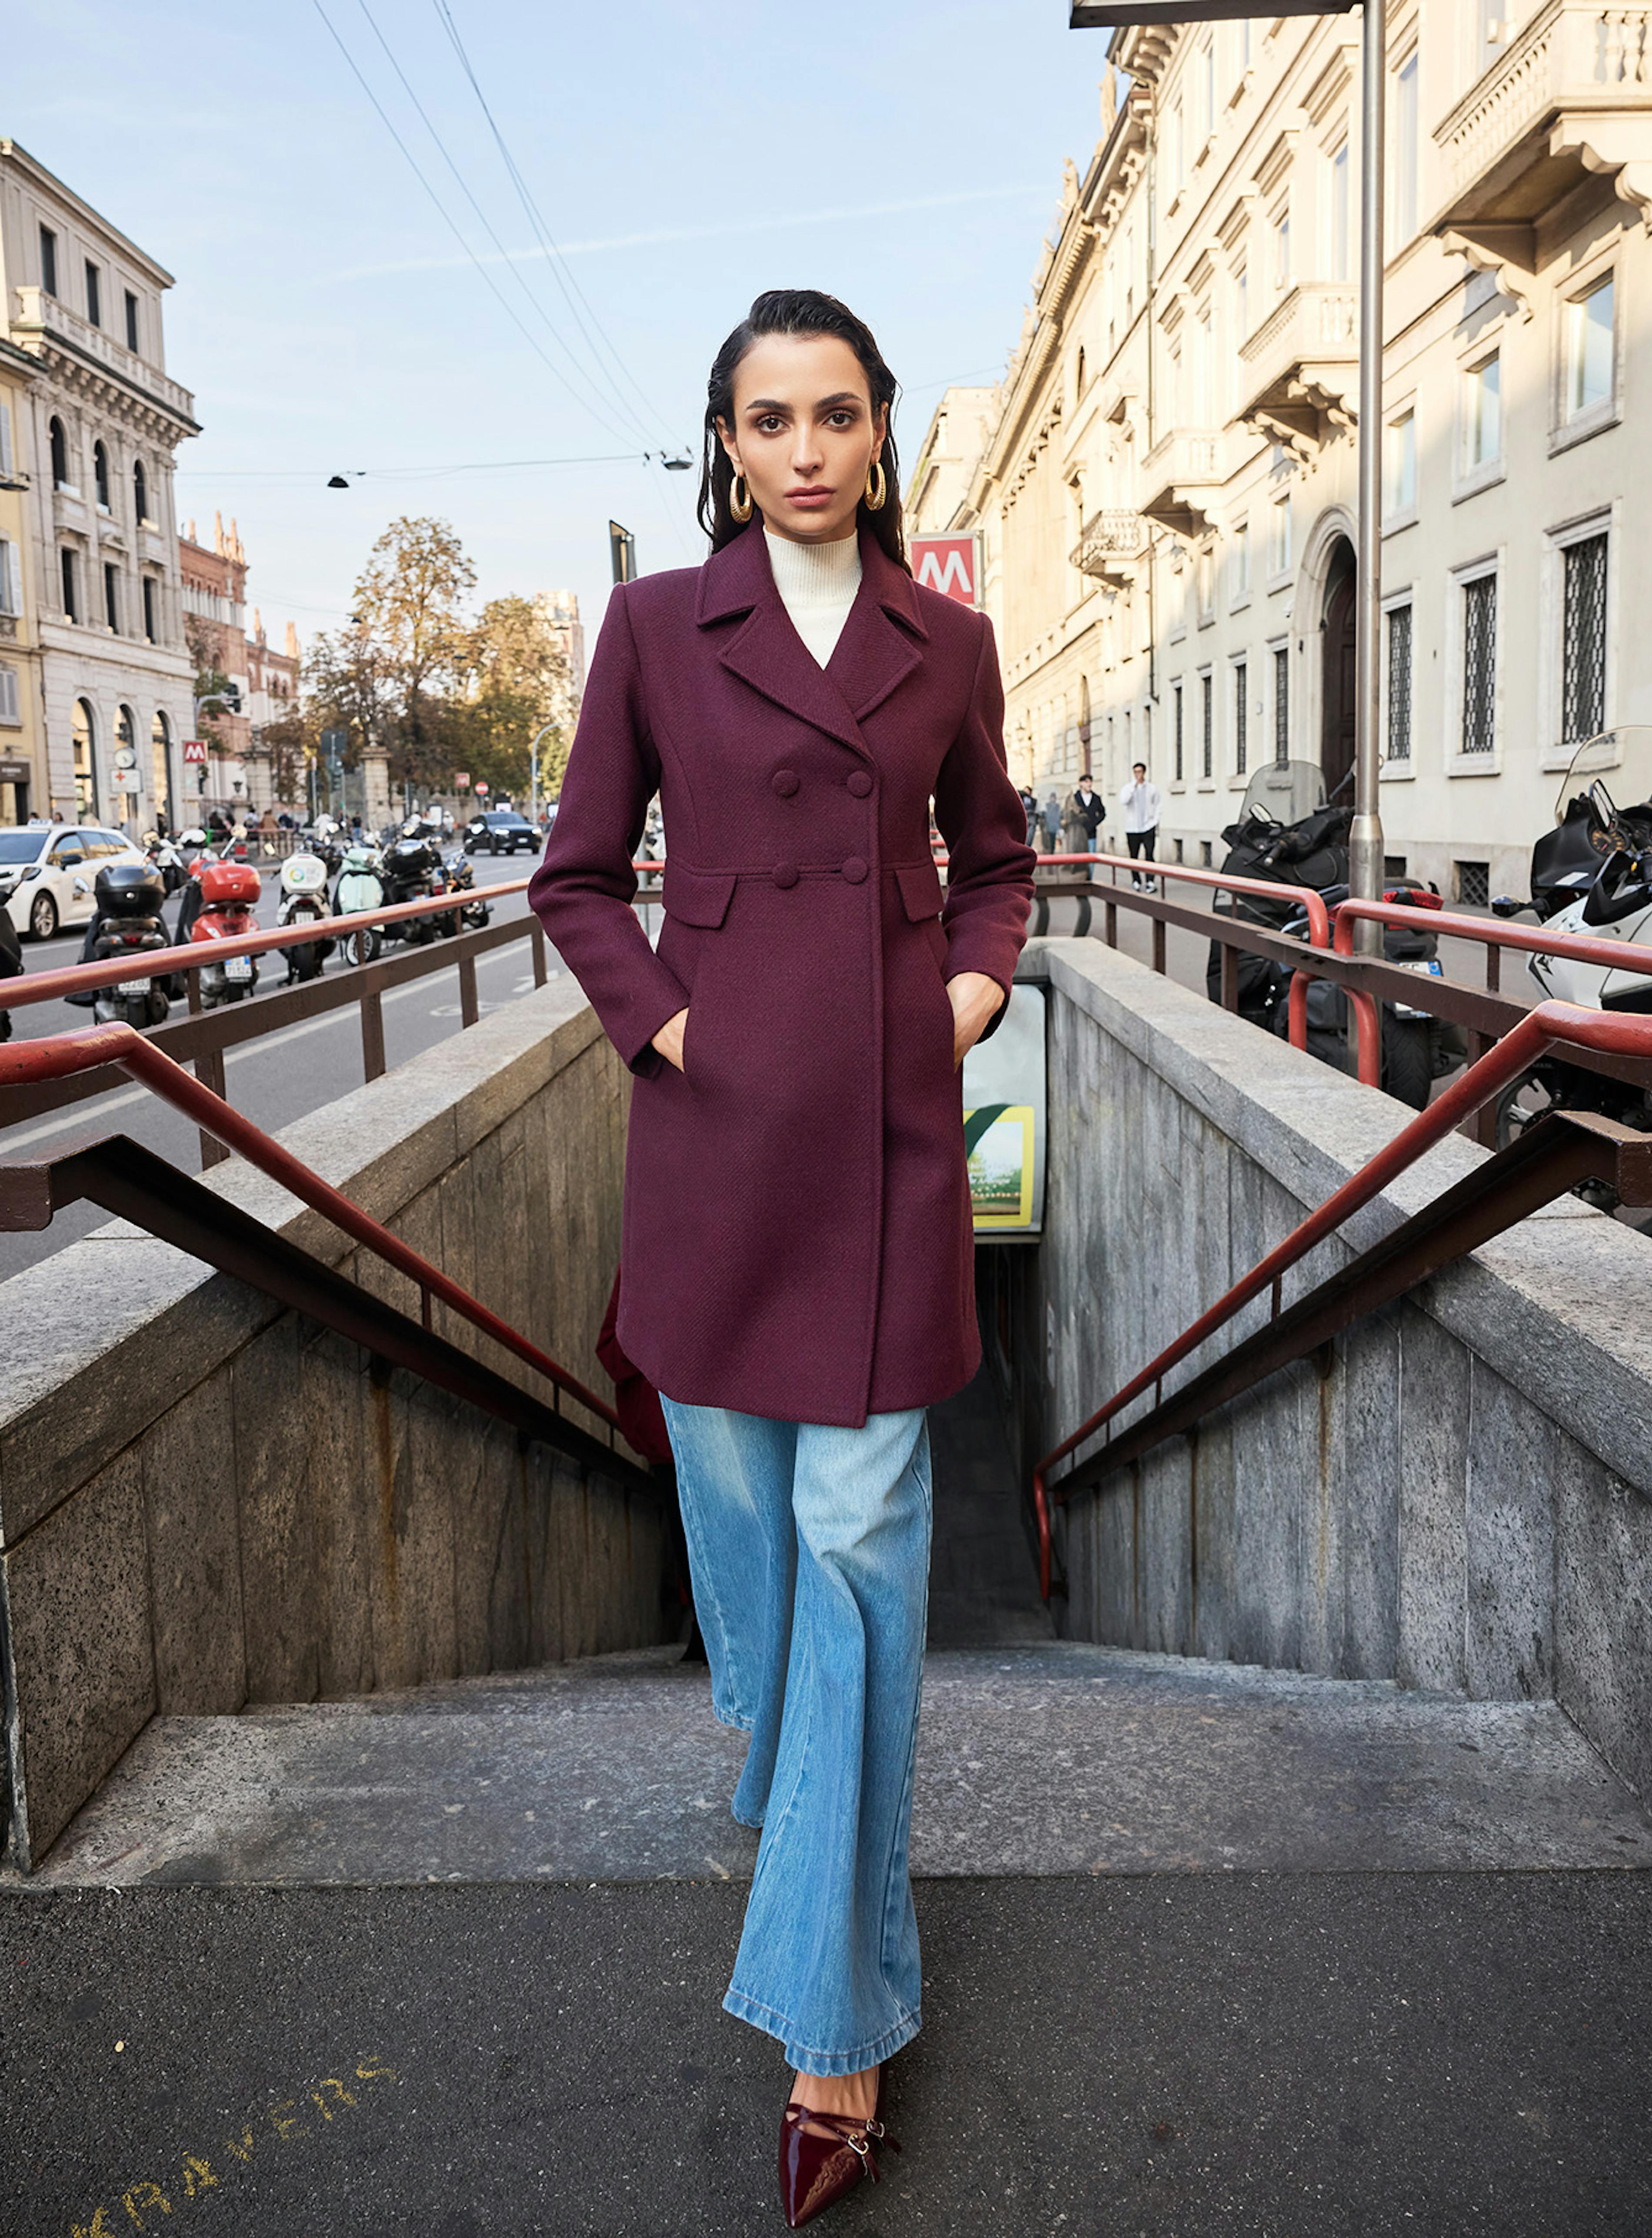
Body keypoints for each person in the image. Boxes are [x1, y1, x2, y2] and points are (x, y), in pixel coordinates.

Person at [530, 287, 1035, 2228]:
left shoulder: (949, 641)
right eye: (771, 416)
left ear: (881, 434)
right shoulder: (660, 624)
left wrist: (973, 988)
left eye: (837, 412)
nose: (807, 444)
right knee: (741, 1508)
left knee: (854, 1541)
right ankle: (785, 1767)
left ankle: (835, 2019)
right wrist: (666, 1025)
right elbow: (576, 870)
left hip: (896, 1136)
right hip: (722, 1137)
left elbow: (997, 850)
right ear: (728, 442)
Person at [1120, 761, 1162, 891]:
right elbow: (1124, 801)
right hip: (1133, 828)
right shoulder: (1128, 788)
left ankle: (1150, 881)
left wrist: (1155, 821)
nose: (1138, 775)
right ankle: (1136, 880)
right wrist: (1134, 787)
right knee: (1134, 856)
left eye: (1140, 772)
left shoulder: (1152, 788)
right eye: (1136, 772)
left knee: (1149, 854)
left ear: (1144, 773)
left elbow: (1158, 805)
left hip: (1148, 827)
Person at [1040, 789, 1061, 853]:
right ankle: (1049, 851)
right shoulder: (1047, 805)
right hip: (1048, 824)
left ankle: (1052, 851)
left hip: (1055, 825)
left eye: (1054, 798)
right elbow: (1044, 813)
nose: (1053, 799)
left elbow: (1059, 815)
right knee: (1047, 840)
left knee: (1054, 839)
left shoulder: (1058, 806)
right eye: (1052, 798)